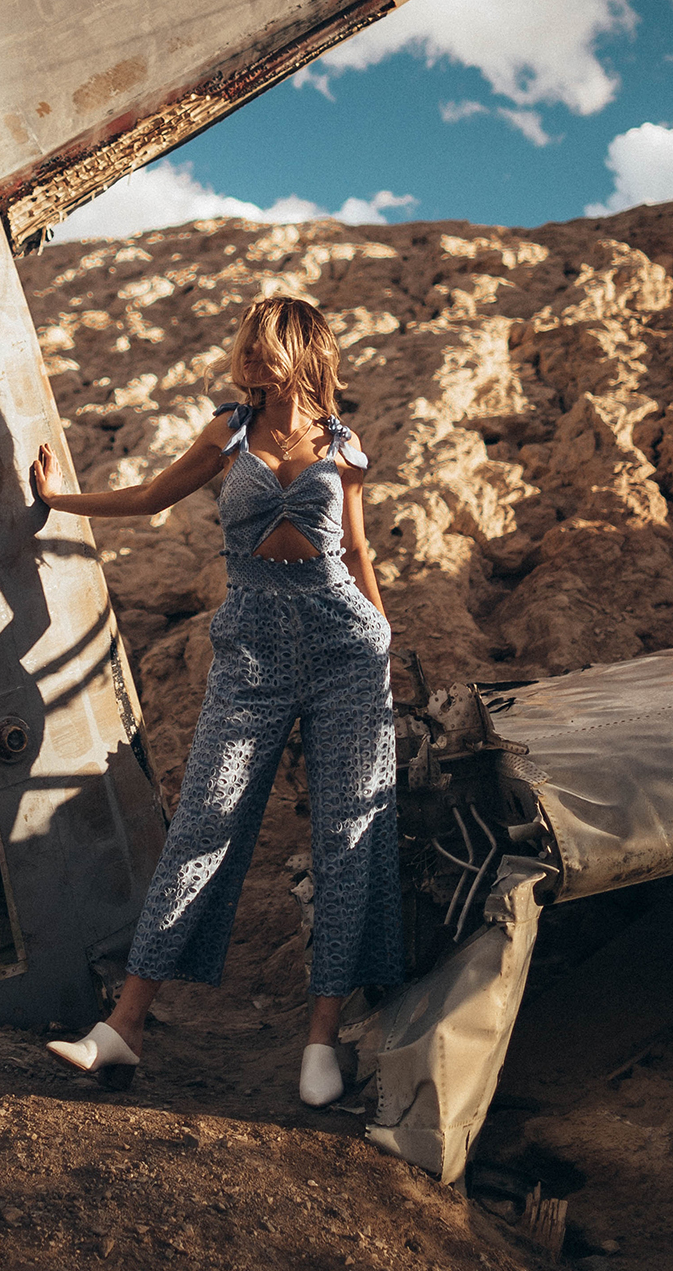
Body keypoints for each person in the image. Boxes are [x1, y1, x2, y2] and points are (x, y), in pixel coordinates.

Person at [31, 293, 403, 1108]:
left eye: (262, 349)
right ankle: (124, 1027)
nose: (246, 361)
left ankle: (320, 1039)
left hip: (346, 648)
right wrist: (60, 502)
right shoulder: (225, 432)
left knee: (347, 835)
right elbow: (148, 499)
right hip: (252, 648)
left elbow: (362, 550)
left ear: (301, 354)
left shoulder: (343, 447)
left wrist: (383, 646)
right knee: (204, 819)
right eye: (244, 348)